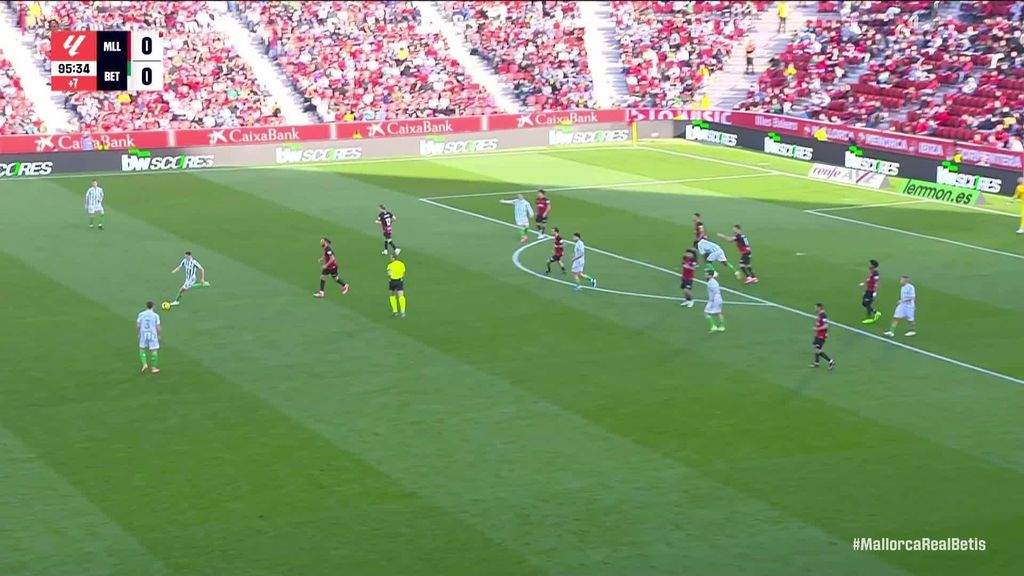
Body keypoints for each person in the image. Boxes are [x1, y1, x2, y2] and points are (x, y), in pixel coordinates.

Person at [137, 301, 161, 374]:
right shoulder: (155, 315)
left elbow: (138, 325)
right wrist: (159, 334)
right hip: (152, 334)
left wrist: (138, 333)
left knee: (142, 349)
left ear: (146, 306)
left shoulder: (141, 314)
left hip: (143, 334)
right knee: (154, 351)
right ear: (153, 306)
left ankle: (144, 364)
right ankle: (153, 368)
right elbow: (158, 326)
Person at [811, 303, 836, 370]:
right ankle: (816, 363)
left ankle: (831, 361)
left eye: (816, 308)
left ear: (819, 308)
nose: (815, 309)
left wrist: (817, 329)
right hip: (818, 335)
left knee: (818, 350)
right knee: (816, 348)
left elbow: (825, 326)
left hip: (821, 336)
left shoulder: (823, 316)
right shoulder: (820, 315)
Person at [859, 259, 882, 323]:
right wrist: (863, 283)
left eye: (871, 264)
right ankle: (875, 312)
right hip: (868, 289)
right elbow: (869, 279)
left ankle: (869, 317)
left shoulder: (876, 273)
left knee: (866, 303)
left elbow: (876, 283)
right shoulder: (871, 271)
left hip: (871, 291)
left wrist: (875, 292)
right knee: (865, 303)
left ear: (873, 265)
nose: (869, 265)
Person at [704, 266, 725, 333]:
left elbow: (714, 292)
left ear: (710, 275)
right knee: (719, 313)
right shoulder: (713, 281)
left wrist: (712, 301)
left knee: (706, 312)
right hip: (718, 299)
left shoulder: (711, 282)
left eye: (706, 274)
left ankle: (713, 326)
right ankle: (722, 327)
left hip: (714, 300)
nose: (705, 275)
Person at [387, 254, 407, 318]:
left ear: (393, 258)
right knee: (401, 296)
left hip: (392, 281)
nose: (390, 258)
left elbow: (389, 274)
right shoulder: (402, 264)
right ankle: (403, 311)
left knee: (392, 295)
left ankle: (395, 311)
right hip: (399, 281)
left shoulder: (390, 265)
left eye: (391, 257)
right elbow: (403, 273)